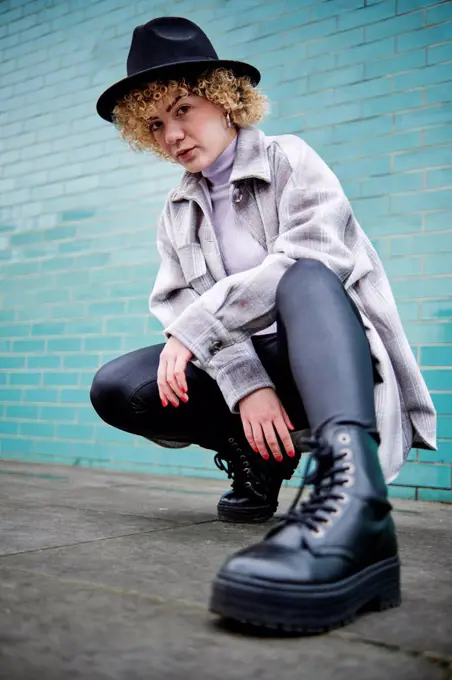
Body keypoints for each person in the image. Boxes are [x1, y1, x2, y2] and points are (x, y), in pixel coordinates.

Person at [93, 17, 437, 632]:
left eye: (183, 109)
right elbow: (174, 301)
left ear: (224, 100)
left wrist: (199, 325)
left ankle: (351, 493)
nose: (173, 134)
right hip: (257, 369)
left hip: (333, 359)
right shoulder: (176, 210)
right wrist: (245, 384)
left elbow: (317, 256)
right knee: (121, 385)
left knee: (304, 275)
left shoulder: (291, 158)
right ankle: (255, 457)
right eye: (155, 124)